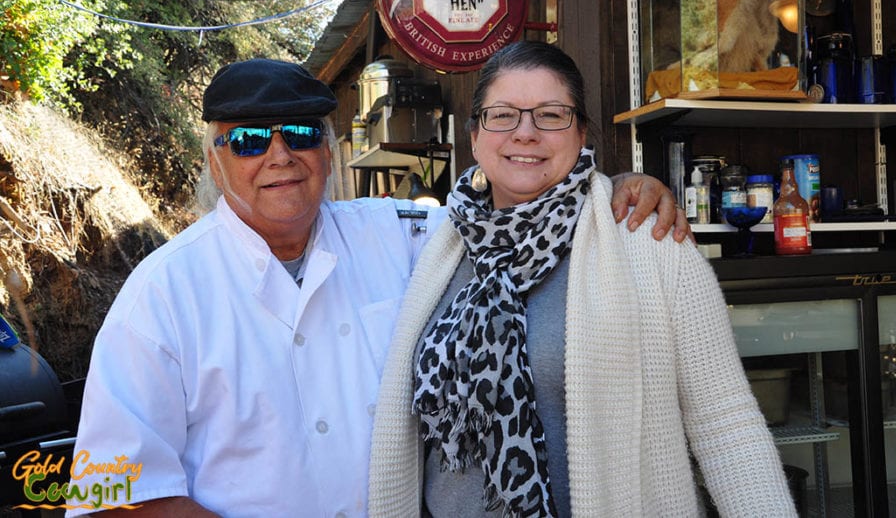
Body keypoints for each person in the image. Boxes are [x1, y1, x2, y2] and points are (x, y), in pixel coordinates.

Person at [66, 58, 686, 517]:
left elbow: (520, 211)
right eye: (252, 139)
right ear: (215, 159)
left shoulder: (401, 233)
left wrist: (617, 190)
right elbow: (117, 493)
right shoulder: (163, 294)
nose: (280, 155)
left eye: (302, 134)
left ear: (329, 153)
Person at [367, 41, 796, 517]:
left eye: (551, 115)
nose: (525, 133)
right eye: (503, 114)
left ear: (581, 133)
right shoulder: (438, 246)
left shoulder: (648, 241)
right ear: (475, 134)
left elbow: (726, 425)